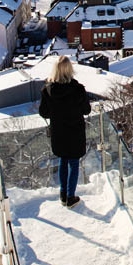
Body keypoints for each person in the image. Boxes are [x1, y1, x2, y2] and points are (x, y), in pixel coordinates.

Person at [38, 55, 91, 207]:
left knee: (63, 161)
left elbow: (44, 113)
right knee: (74, 163)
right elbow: (86, 110)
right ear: (70, 69)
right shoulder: (78, 89)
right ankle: (70, 196)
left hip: (58, 132)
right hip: (75, 131)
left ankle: (63, 195)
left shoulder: (47, 90)